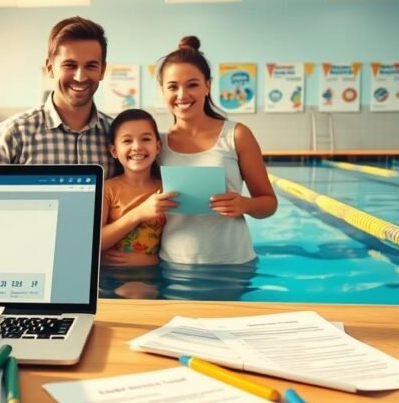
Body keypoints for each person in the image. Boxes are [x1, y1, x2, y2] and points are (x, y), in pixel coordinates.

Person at [156, 36, 277, 265]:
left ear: (207, 86)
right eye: (172, 86)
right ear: (162, 90)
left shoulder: (236, 135)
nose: (182, 95)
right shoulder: (156, 145)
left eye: (192, 84)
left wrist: (245, 204)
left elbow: (269, 203)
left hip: (234, 263)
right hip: (173, 266)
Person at [0, 17, 117, 177]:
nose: (80, 77)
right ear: (50, 68)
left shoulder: (118, 135)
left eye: (91, 66)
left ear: (102, 70)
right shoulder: (14, 134)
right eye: (69, 65)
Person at [100, 109, 176, 267]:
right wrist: (139, 213)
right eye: (127, 141)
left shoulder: (167, 189)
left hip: (153, 275)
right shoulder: (107, 189)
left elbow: (177, 242)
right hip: (112, 277)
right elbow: (95, 242)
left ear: (158, 146)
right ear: (114, 150)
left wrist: (152, 261)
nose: (137, 147)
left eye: (145, 139)